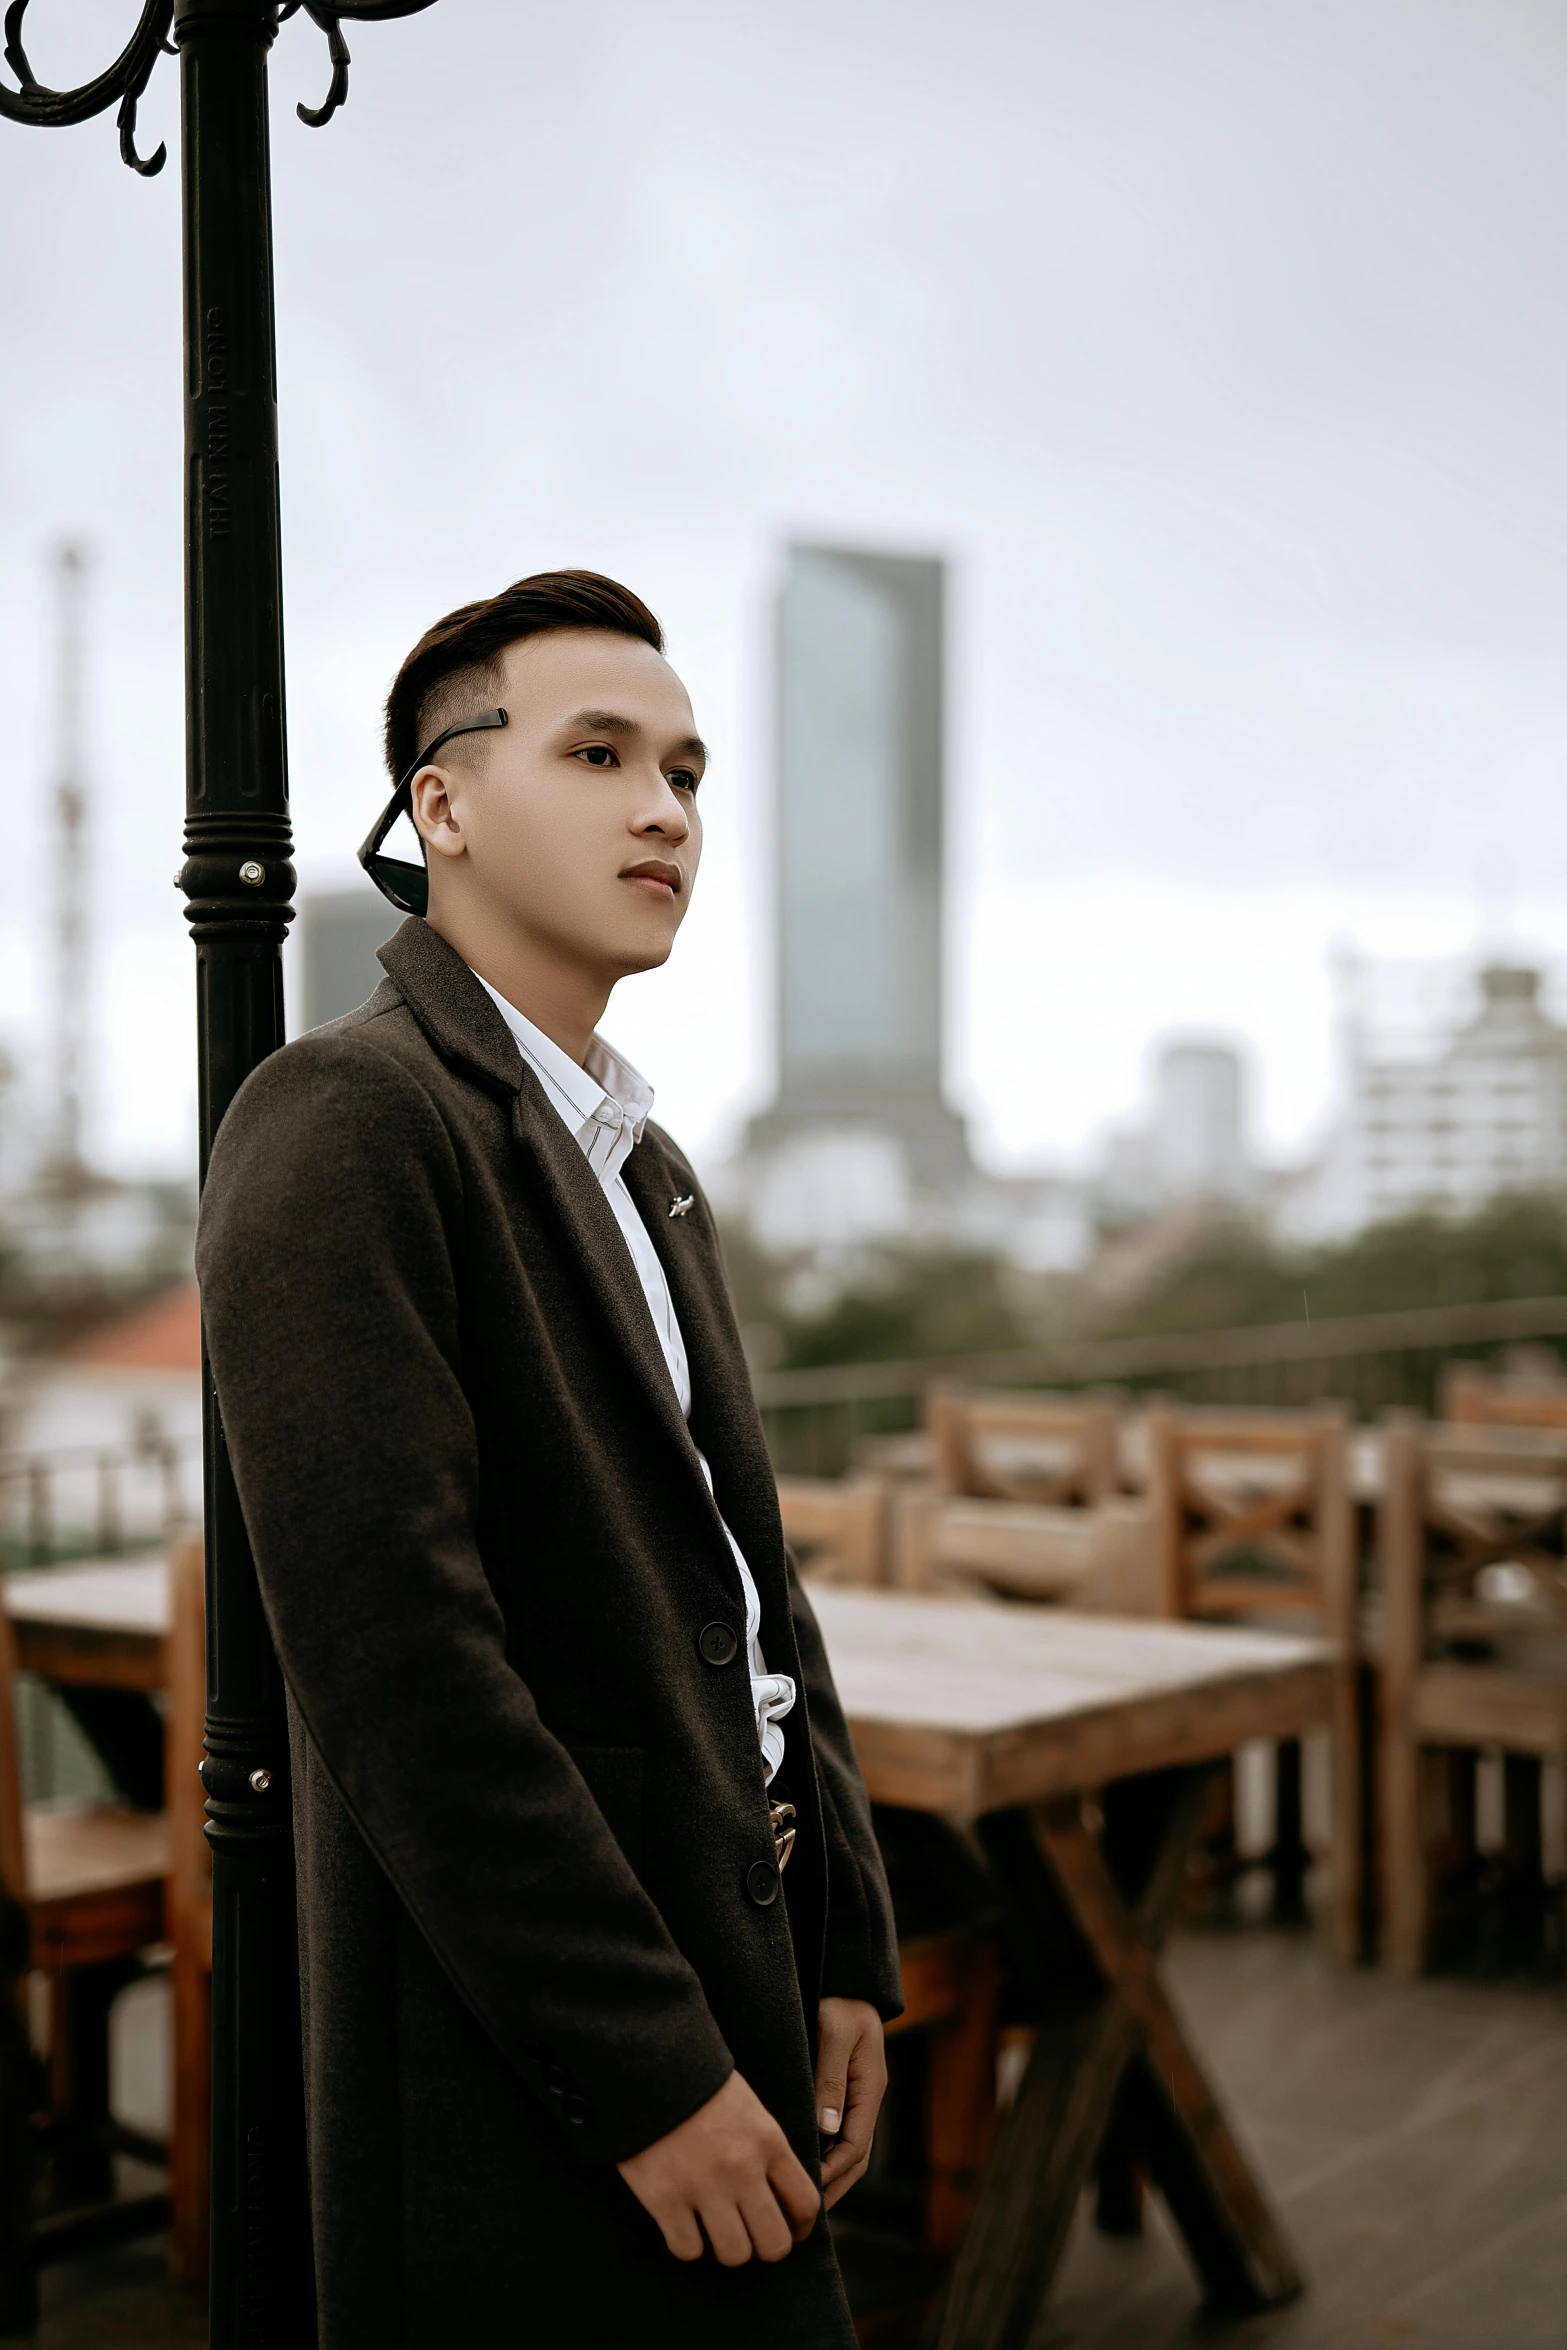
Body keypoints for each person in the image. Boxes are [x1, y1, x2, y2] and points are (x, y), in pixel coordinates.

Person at [196, 570, 901, 2347]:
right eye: (597, 753)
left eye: (685, 768)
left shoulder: (643, 1158)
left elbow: (752, 1585)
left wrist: (844, 1946)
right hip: (523, 2039)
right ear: (440, 803)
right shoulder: (347, 1118)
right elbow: (399, 1666)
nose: (665, 808)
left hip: (738, 1929)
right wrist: (644, 2068)